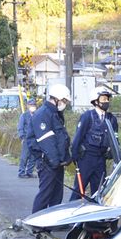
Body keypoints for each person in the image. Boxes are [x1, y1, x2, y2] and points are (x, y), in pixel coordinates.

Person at [70, 87, 119, 200]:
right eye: (103, 99)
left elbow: (115, 139)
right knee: (78, 190)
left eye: (107, 99)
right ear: (95, 101)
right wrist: (75, 156)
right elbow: (78, 137)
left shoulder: (111, 119)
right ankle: (71, 212)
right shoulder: (87, 116)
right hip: (86, 159)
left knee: (99, 192)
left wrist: (113, 153)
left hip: (101, 159)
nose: (106, 101)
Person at [31, 83, 72, 213]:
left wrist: (65, 158)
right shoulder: (43, 114)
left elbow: (61, 138)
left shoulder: (55, 113)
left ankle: (52, 222)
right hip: (47, 162)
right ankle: (36, 222)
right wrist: (54, 161)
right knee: (45, 194)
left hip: (57, 162)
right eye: (64, 100)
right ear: (56, 98)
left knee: (56, 195)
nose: (65, 103)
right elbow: (46, 141)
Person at [17, 101, 38, 178]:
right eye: (31, 105)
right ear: (28, 106)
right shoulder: (24, 115)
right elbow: (20, 127)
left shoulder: (37, 115)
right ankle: (21, 172)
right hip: (26, 138)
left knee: (33, 156)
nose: (32, 106)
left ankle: (29, 172)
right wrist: (22, 137)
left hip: (35, 139)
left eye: (34, 105)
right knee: (24, 156)